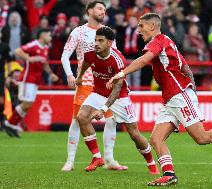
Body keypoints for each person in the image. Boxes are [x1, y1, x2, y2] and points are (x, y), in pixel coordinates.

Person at [107, 13, 212, 186]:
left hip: (178, 95)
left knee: (202, 138)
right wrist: (192, 91)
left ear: (152, 26)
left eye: (141, 26)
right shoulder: (167, 41)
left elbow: (144, 60)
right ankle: (169, 174)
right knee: (156, 139)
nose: (138, 30)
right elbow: (186, 68)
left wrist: (121, 73)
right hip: (172, 97)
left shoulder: (157, 41)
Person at [75, 26, 159, 174]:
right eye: (95, 40)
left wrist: (103, 109)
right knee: (82, 117)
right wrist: (80, 76)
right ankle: (97, 158)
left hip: (120, 97)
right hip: (98, 93)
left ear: (109, 43)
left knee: (134, 133)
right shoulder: (89, 54)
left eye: (100, 41)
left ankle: (151, 164)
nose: (96, 43)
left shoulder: (117, 60)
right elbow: (86, 63)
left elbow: (117, 88)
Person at [60, 1, 126, 172]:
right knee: (77, 120)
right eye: (99, 8)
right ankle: (70, 161)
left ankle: (109, 159)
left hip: (105, 83)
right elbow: (65, 55)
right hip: (86, 82)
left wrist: (115, 78)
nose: (102, 11)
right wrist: (69, 74)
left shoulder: (107, 33)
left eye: (104, 9)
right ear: (89, 10)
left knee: (111, 120)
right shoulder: (79, 31)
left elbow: (115, 56)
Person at [3, 28, 58, 137]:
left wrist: (51, 73)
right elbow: (18, 51)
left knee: (28, 105)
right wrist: (29, 58)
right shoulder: (33, 45)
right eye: (49, 35)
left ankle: (11, 124)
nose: (50, 37)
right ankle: (10, 123)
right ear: (42, 35)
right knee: (26, 104)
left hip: (36, 80)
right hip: (27, 79)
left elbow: (44, 63)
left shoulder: (46, 48)